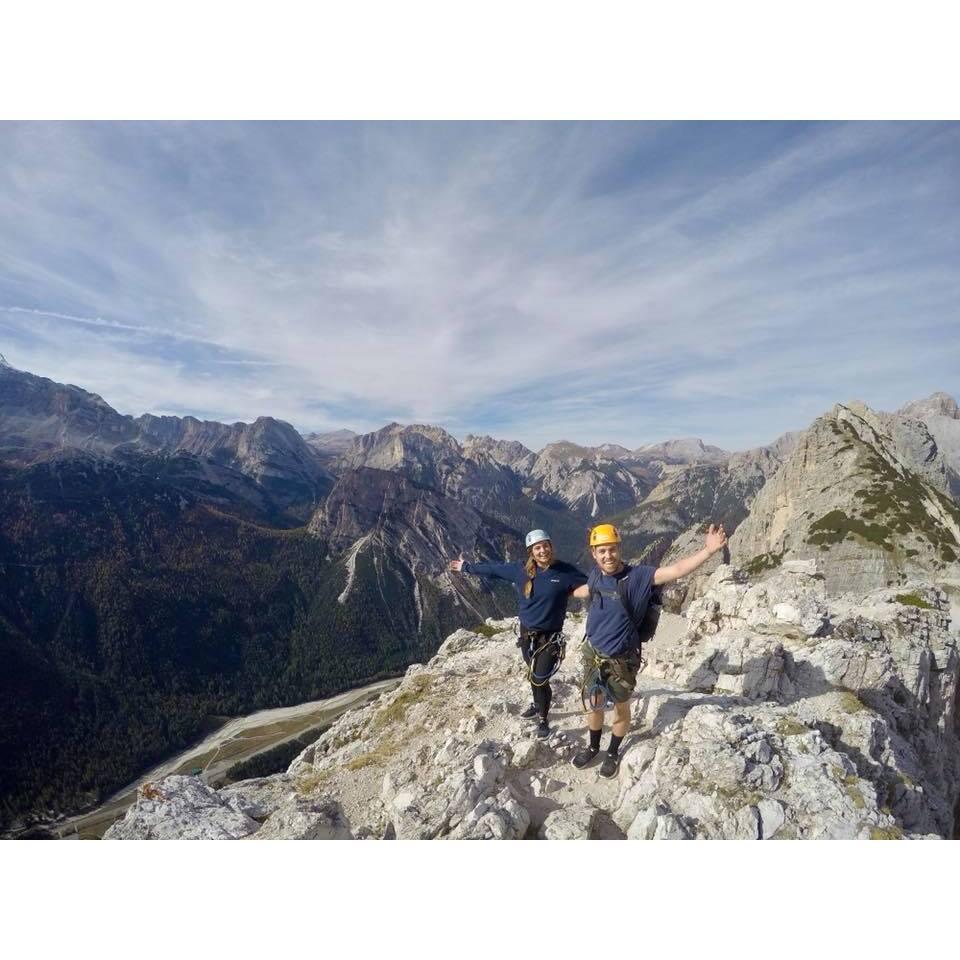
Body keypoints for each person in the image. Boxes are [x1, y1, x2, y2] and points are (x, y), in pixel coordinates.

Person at [569, 521, 727, 778]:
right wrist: (561, 591)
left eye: (612, 549)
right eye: (602, 551)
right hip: (592, 655)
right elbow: (589, 590)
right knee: (593, 704)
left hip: (622, 660)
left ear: (619, 549)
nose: (607, 555)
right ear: (594, 554)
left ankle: (612, 752)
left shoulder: (638, 577)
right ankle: (593, 746)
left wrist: (708, 551)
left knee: (620, 707)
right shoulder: (596, 574)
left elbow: (675, 570)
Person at [449, 530, 587, 739]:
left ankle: (542, 718)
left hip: (550, 638)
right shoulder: (520, 570)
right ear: (531, 551)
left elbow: (589, 584)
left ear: (551, 546)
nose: (542, 551)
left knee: (540, 678)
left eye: (545, 546)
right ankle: (537, 703)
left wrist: (612, 586)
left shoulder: (565, 571)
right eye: (537, 548)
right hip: (526, 636)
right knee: (533, 674)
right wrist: (466, 567)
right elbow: (494, 570)